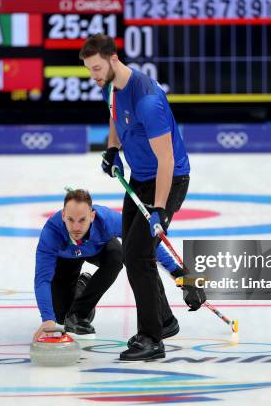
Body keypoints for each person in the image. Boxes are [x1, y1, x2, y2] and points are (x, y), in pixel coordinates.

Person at [80, 34, 206, 361]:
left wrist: (161, 210)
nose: (93, 76)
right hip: (139, 179)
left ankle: (152, 339)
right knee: (140, 254)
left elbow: (166, 160)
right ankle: (163, 319)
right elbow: (115, 116)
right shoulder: (112, 88)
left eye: (96, 68)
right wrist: (112, 147)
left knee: (136, 256)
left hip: (169, 180)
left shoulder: (148, 100)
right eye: (89, 70)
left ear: (113, 59)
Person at [32, 189, 183, 342]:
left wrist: (176, 270)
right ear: (63, 215)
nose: (76, 227)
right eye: (71, 220)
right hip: (66, 260)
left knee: (117, 257)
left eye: (82, 220)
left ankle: (79, 313)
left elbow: (147, 243)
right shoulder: (51, 233)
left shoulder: (107, 220)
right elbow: (42, 278)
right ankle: (81, 288)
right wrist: (47, 319)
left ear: (92, 216)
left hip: (99, 248)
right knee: (61, 316)